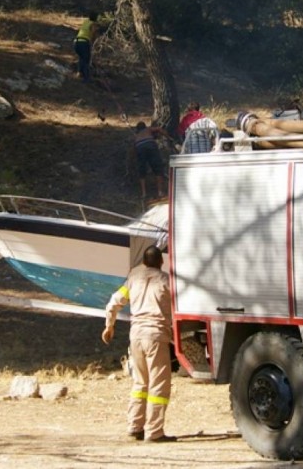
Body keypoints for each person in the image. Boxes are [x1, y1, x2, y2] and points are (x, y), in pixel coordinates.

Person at [101, 245, 176, 443]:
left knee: (140, 383)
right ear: (161, 262)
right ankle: (154, 431)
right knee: (159, 385)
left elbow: (114, 302)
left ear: (143, 261)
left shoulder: (133, 278)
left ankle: (135, 426)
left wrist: (109, 327)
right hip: (156, 336)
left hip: (136, 336)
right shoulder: (167, 281)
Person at [133, 121, 166, 199]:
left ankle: (144, 193)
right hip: (150, 145)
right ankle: (160, 192)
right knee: (158, 168)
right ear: (145, 127)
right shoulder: (148, 129)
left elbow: (133, 148)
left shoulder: (136, 136)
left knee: (142, 171)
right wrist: (168, 137)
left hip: (139, 146)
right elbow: (159, 129)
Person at [73, 12, 104, 82]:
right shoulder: (92, 24)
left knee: (82, 58)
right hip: (83, 43)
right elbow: (93, 33)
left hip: (76, 42)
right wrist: (93, 41)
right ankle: (86, 78)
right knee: (86, 59)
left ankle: (79, 73)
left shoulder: (86, 22)